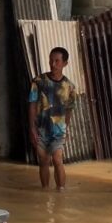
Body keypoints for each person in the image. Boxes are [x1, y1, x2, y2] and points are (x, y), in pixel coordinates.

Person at [28, 46, 78, 191]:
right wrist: (32, 128)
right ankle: (45, 191)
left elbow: (69, 110)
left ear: (65, 63)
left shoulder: (69, 87)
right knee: (43, 161)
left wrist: (65, 128)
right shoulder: (38, 81)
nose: (53, 64)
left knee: (57, 160)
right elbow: (32, 104)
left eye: (57, 61)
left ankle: (61, 191)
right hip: (41, 129)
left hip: (58, 131)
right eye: (51, 60)